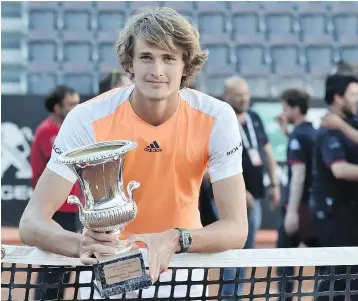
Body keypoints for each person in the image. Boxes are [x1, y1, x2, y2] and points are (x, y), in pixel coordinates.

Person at [19, 7, 248, 299]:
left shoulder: (217, 117)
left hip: (183, 271)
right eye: (146, 57)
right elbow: (31, 222)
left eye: (169, 58)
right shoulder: (87, 118)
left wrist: (176, 239)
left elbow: (237, 229)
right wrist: (81, 245)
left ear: (186, 65)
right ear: (130, 62)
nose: (157, 71)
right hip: (111, 273)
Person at [221, 76, 280, 299]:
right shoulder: (222, 119)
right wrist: (238, 191)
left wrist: (274, 183)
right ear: (226, 96)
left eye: (246, 94)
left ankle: (237, 293)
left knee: (248, 248)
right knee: (231, 247)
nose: (244, 99)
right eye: (238, 95)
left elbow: (267, 151)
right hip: (230, 198)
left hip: (255, 196)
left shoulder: (254, 117)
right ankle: (228, 294)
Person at [30, 85, 82, 300]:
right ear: (57, 106)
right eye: (71, 105)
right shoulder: (49, 132)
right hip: (57, 208)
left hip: (69, 206)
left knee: (63, 264)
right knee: (52, 265)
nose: (76, 109)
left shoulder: (62, 130)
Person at [310, 74, 358, 301]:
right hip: (334, 216)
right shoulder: (329, 129)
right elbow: (339, 169)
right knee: (336, 280)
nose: (357, 99)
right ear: (338, 98)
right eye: (353, 95)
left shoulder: (349, 124)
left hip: (351, 215)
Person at [275, 89, 320, 300]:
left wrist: (291, 212)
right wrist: (287, 131)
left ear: (295, 108)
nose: (283, 112)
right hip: (314, 206)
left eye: (285, 107)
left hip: (299, 207)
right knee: (323, 260)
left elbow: (299, 175)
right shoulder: (311, 132)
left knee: (284, 260)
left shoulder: (299, 136)